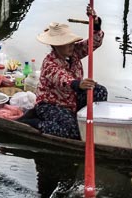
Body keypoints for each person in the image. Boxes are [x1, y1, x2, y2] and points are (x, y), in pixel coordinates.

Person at [34, 8, 107, 140]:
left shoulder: (74, 52)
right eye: (66, 44)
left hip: (72, 99)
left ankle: (89, 122)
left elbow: (94, 43)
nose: (71, 46)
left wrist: (96, 24)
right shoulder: (49, 63)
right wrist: (78, 84)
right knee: (73, 131)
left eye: (71, 42)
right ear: (56, 46)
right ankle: (36, 124)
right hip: (51, 104)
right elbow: (62, 78)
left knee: (99, 91)